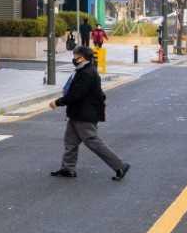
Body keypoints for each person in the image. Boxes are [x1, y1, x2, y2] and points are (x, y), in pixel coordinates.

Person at [50, 43, 129, 181]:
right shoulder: (83, 70)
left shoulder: (87, 73)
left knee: (93, 142)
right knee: (70, 142)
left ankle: (120, 165)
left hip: (85, 114)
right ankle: (68, 169)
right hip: (76, 113)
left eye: (76, 57)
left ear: (82, 58)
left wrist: (57, 102)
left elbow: (76, 94)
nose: (74, 59)